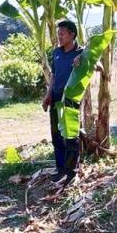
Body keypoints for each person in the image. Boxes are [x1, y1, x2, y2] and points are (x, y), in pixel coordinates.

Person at [42, 20, 84, 183]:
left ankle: (72, 171)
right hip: (56, 98)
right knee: (57, 135)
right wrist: (48, 94)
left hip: (71, 99)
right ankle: (60, 169)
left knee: (71, 136)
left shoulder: (81, 52)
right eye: (58, 34)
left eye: (62, 33)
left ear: (72, 34)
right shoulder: (56, 52)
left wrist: (82, 59)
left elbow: (99, 66)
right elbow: (54, 75)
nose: (59, 37)